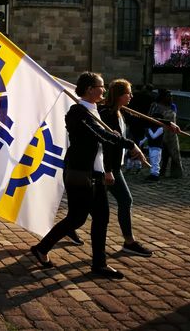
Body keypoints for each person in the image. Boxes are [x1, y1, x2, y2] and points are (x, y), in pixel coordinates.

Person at [30, 72, 147, 280]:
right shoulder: (77, 112)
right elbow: (101, 134)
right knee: (76, 218)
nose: (104, 90)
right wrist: (130, 145)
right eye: (101, 86)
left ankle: (99, 264)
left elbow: (115, 124)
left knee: (101, 218)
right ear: (90, 89)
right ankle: (42, 248)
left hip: (96, 173)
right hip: (79, 173)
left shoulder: (96, 110)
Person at [99, 79, 154, 257]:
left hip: (114, 167)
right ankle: (129, 242)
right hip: (108, 168)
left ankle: (129, 241)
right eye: (128, 93)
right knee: (123, 201)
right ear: (119, 95)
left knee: (94, 205)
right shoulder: (108, 114)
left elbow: (142, 120)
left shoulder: (120, 112)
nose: (131, 96)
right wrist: (107, 170)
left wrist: (168, 124)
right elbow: (106, 144)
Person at [149, 89, 183, 178]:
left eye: (172, 96)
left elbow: (175, 118)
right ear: (163, 97)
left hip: (172, 134)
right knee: (162, 153)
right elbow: (151, 119)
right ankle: (159, 171)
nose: (171, 98)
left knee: (174, 153)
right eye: (169, 96)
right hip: (160, 132)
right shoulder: (156, 106)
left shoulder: (172, 106)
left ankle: (176, 173)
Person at [143, 114, 164, 181]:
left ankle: (155, 175)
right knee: (152, 161)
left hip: (157, 147)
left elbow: (154, 136)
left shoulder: (161, 128)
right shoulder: (152, 128)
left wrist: (149, 130)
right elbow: (148, 137)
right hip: (151, 146)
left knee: (155, 162)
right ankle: (152, 174)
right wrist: (141, 142)